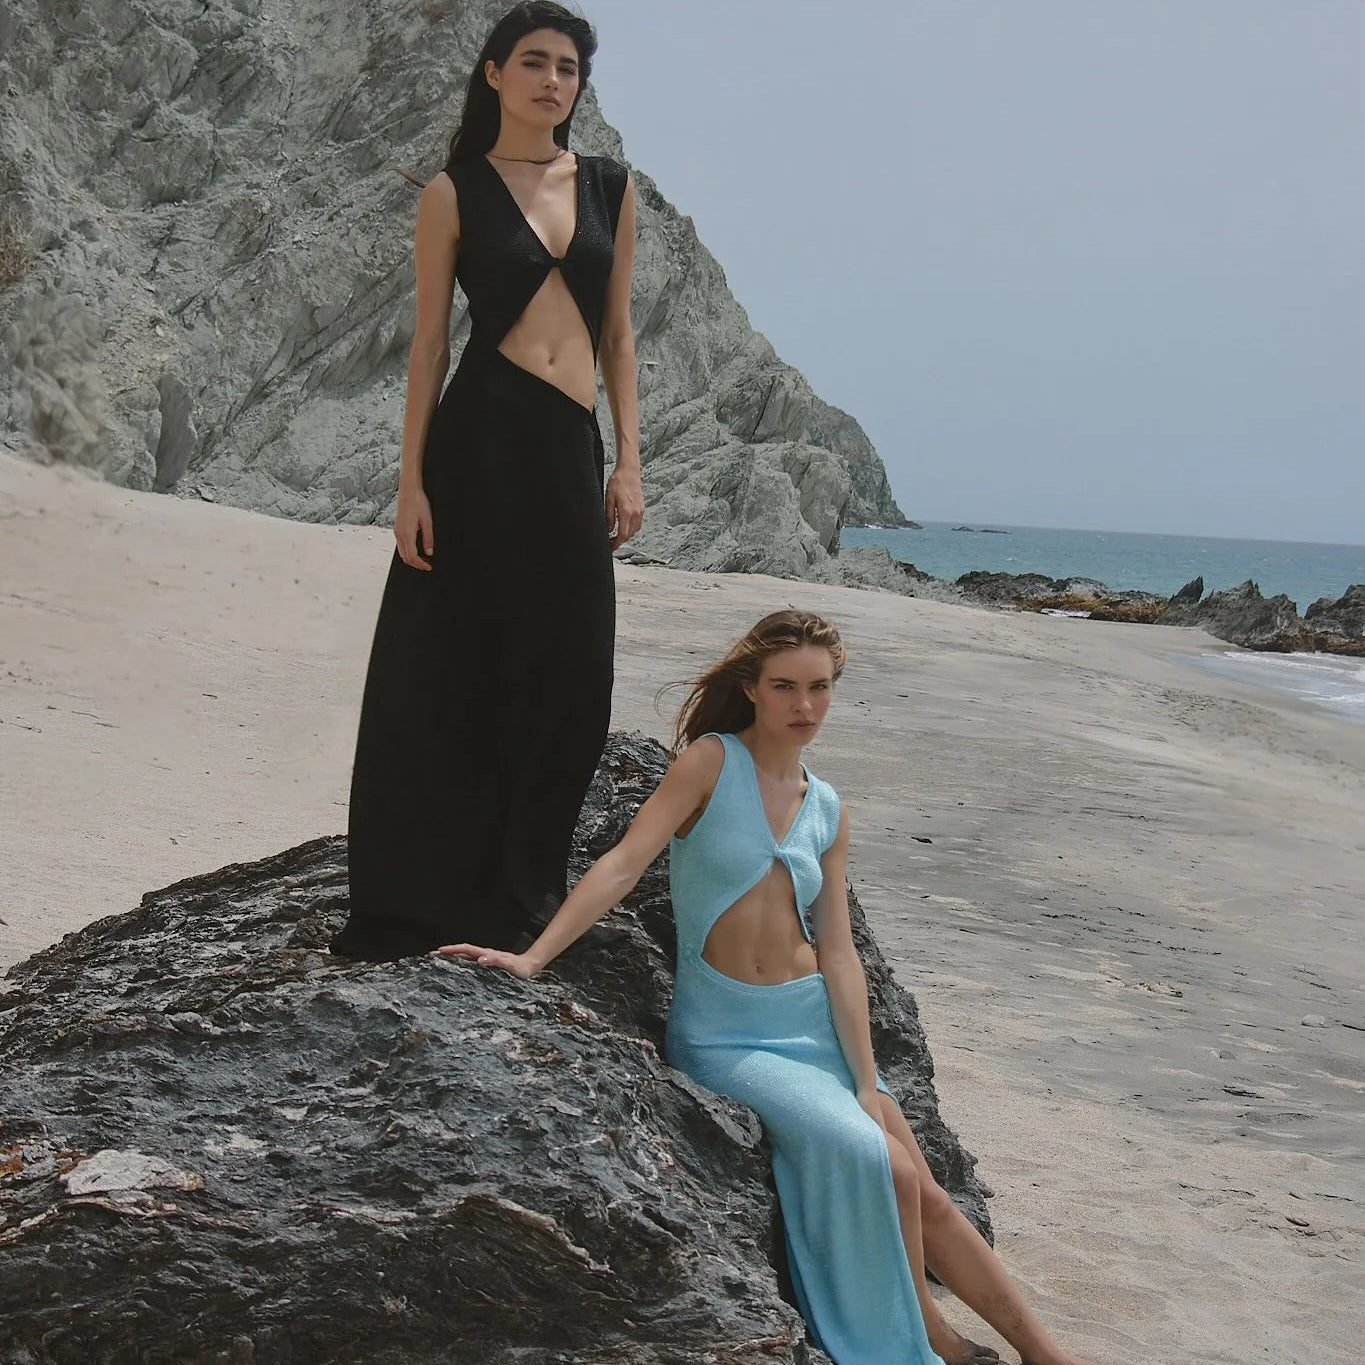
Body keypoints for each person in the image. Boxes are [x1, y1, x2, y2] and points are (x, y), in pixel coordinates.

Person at [439, 610, 1097, 1365]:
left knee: (925, 1186)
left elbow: (840, 952)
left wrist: (861, 1076)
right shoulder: (710, 764)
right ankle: (931, 1338)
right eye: (785, 686)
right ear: (750, 689)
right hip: (726, 1034)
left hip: (812, 1024)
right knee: (880, 1162)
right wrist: (534, 958)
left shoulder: (827, 806)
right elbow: (624, 864)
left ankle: (1047, 1354)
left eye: (819, 687)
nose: (803, 705)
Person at [332, 3, 643, 959]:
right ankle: (428, 892)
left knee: (572, 667)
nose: (554, 81)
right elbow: (428, 346)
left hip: (567, 442)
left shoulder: (608, 187)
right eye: (536, 63)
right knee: (451, 662)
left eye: (569, 69)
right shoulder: (453, 191)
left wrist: (630, 459)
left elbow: (618, 332)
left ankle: (527, 884)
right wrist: (409, 484)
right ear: (494, 73)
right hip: (477, 444)